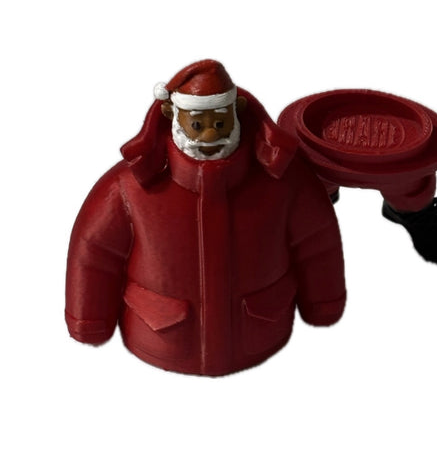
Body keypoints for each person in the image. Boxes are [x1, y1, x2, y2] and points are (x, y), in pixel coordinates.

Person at [65, 59, 347, 376]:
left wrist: (324, 303)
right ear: (172, 115)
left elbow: (317, 244)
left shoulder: (285, 181)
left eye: (220, 123)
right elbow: (94, 254)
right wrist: (89, 320)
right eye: (198, 125)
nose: (211, 134)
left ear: (237, 111)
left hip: (262, 333)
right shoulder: (128, 188)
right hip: (161, 339)